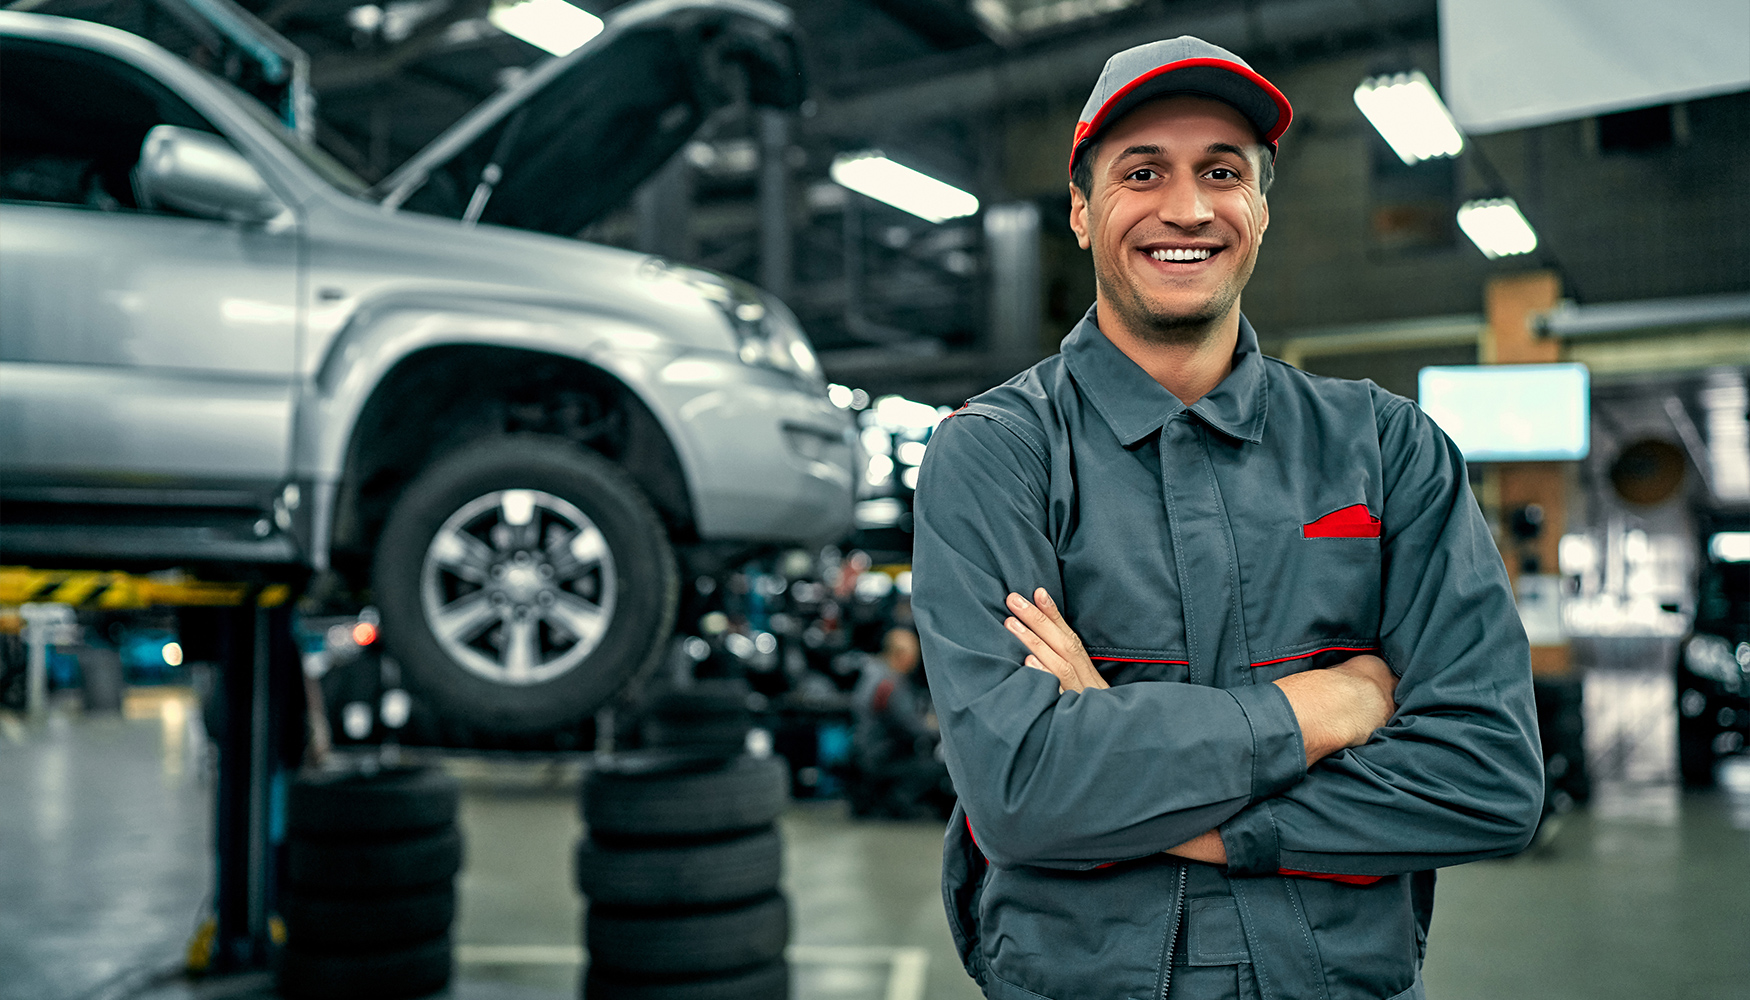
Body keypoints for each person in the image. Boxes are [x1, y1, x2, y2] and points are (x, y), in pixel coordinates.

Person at [911, 36, 1543, 1000]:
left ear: (1260, 209)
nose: (1188, 208)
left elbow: (1486, 777)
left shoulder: (1388, 449)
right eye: (1141, 172)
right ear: (1081, 212)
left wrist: (1161, 796)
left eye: (1222, 171)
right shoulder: (998, 454)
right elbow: (1020, 791)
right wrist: (1331, 706)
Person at [849, 627, 953, 818]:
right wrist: (943, 731)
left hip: (865, 751)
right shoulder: (890, 684)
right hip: (884, 756)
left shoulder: (872, 674)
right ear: (902, 654)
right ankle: (900, 801)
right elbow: (911, 727)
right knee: (944, 765)